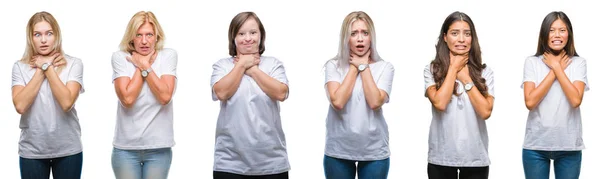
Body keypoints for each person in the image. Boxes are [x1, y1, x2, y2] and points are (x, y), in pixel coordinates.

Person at [210, 11, 290, 179]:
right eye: (241, 33)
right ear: (233, 37)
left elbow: (281, 93)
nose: (248, 38)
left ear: (261, 36)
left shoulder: (273, 65)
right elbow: (221, 92)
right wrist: (241, 65)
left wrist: (252, 69)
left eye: (253, 33)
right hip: (229, 163)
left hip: (272, 163)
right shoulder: (222, 66)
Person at [11, 11, 84, 179]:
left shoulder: (74, 64)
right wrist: (41, 70)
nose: (43, 40)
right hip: (32, 151)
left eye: (48, 33)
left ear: (56, 35)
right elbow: (20, 105)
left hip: (68, 149)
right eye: (38, 34)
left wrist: (48, 67)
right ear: (31, 38)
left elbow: (66, 102)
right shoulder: (20, 67)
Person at [322, 11, 394, 179]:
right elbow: (338, 101)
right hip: (338, 150)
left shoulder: (385, 67)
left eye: (365, 33)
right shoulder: (333, 66)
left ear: (371, 37)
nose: (360, 39)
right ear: (346, 38)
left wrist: (364, 67)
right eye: (354, 33)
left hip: (374, 152)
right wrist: (355, 67)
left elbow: (375, 102)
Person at [423, 11, 494, 179]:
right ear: (445, 37)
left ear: (472, 38)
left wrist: (465, 78)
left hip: (475, 158)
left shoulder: (485, 72)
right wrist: (454, 69)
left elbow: (485, 112)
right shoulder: (431, 70)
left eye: (467, 34)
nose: (461, 39)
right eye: (455, 33)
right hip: (441, 158)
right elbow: (440, 103)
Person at [111, 11, 177, 179]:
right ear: (131, 38)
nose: (144, 41)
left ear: (156, 36)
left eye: (149, 35)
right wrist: (143, 65)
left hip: (159, 148)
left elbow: (165, 96)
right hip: (125, 149)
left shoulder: (168, 56)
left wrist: (145, 66)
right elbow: (127, 99)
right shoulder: (121, 58)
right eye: (138, 35)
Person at [521, 11, 587, 179]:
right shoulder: (532, 62)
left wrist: (557, 68)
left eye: (562, 30)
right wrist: (554, 70)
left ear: (569, 34)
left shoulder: (579, 63)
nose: (557, 35)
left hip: (569, 146)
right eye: (552, 30)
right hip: (536, 146)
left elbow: (575, 100)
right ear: (544, 34)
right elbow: (530, 101)